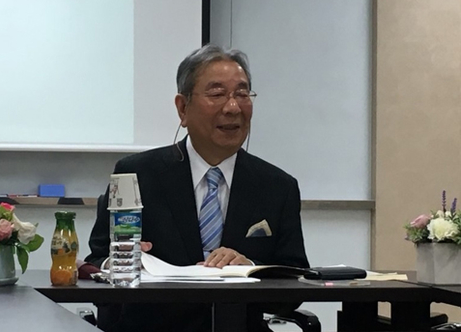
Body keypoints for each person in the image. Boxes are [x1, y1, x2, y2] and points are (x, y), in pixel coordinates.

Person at [86, 45, 309, 332]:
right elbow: (96, 262)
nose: (233, 107)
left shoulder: (277, 186)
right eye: (217, 94)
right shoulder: (137, 174)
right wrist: (121, 262)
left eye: (242, 94)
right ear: (183, 108)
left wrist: (250, 268)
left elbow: (295, 286)